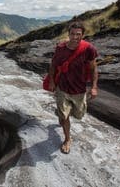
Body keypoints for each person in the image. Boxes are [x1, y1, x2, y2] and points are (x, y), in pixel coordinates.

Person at [47, 21, 98, 154]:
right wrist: (52, 81)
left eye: (78, 34)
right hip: (62, 88)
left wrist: (94, 87)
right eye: (72, 34)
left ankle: (61, 114)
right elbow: (53, 65)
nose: (75, 37)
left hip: (79, 90)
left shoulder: (89, 49)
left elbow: (93, 69)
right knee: (65, 117)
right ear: (68, 34)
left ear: (83, 35)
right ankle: (67, 139)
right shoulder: (61, 48)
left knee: (79, 114)